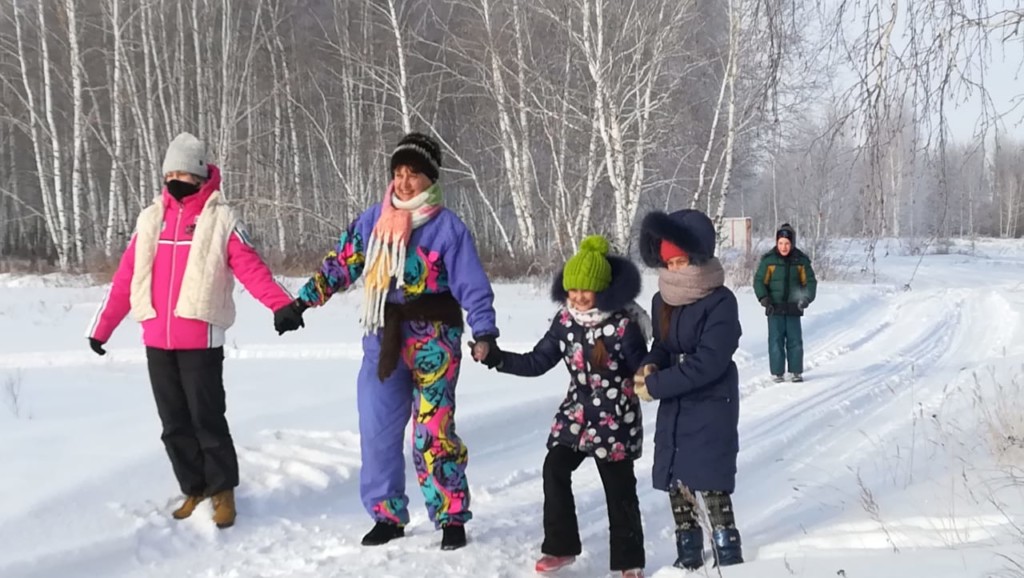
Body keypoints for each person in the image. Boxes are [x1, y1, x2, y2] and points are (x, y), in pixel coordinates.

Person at [274, 132, 499, 551]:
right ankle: (388, 515)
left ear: (430, 179)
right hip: (384, 339)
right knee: (376, 429)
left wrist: (484, 331)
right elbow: (341, 266)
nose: (404, 182)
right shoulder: (372, 222)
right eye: (398, 173)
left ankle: (450, 515)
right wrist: (300, 304)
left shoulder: (447, 228)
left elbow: (473, 285)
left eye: (413, 174)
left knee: (432, 431)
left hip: (435, 342)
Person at [86, 132, 295, 529]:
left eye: (185, 172)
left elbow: (251, 267)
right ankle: (194, 487)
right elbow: (126, 278)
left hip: (200, 338)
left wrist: (281, 305)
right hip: (156, 340)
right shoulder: (150, 220)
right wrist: (102, 328)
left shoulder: (220, 219)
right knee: (174, 423)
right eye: (171, 173)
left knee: (207, 419)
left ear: (201, 176)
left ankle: (223, 492)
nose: (177, 180)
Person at [476, 236, 649, 578]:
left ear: (603, 290)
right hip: (577, 414)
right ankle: (560, 546)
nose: (579, 298)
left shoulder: (622, 326)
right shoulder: (565, 322)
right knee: (555, 468)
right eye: (573, 290)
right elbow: (538, 361)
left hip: (615, 418)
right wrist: (496, 358)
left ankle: (629, 562)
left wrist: (656, 376)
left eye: (587, 291)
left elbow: (643, 368)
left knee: (619, 489)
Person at [632, 209, 744, 570]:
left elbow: (709, 361)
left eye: (681, 262)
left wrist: (658, 385)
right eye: (669, 263)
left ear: (699, 257)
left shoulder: (721, 301)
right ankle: (688, 551)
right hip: (676, 405)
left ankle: (728, 552)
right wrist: (651, 363)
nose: (675, 270)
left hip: (711, 402)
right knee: (678, 480)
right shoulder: (663, 300)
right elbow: (664, 345)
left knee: (710, 480)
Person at [753, 223, 817, 383]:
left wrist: (805, 298)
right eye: (780, 243)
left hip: (794, 308)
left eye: (787, 243)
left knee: (795, 340)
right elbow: (759, 281)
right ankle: (777, 372)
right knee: (775, 341)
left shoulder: (801, 261)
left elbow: (810, 282)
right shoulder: (769, 261)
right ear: (776, 242)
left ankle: (795, 371)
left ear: (792, 243)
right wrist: (764, 298)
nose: (783, 247)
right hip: (774, 308)